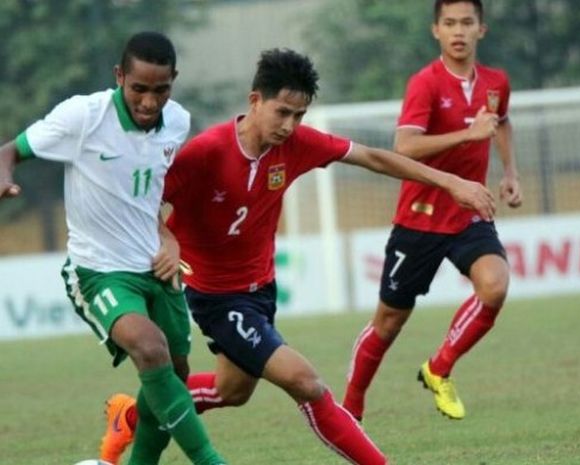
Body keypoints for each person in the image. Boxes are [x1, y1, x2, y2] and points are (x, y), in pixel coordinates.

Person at [102, 47, 499, 465]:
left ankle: (132, 414)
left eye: (299, 115)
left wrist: (450, 181)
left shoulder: (296, 145)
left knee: (231, 391)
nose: (290, 126)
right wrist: (168, 240)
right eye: (282, 112)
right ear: (255, 101)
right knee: (305, 382)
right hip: (216, 296)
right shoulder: (207, 152)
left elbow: (374, 157)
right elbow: (142, 207)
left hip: (260, 289)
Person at [0, 32, 227, 465]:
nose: (148, 101)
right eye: (138, 88)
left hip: (157, 269)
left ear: (173, 82)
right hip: (98, 270)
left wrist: (169, 238)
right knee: (150, 348)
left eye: (160, 90)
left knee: (174, 376)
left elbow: (147, 195)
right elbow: (9, 150)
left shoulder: (177, 122)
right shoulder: (82, 117)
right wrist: (3, 176)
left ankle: (131, 441)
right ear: (119, 76)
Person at [342, 0, 522, 422]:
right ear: (435, 31)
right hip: (419, 219)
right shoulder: (425, 83)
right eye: (449, 23)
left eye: (466, 22)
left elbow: (502, 120)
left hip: (468, 214)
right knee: (388, 323)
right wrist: (466, 134)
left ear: (482, 29)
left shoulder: (496, 82)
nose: (458, 31)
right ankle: (350, 409)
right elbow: (404, 146)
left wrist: (510, 170)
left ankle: (439, 367)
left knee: (494, 286)